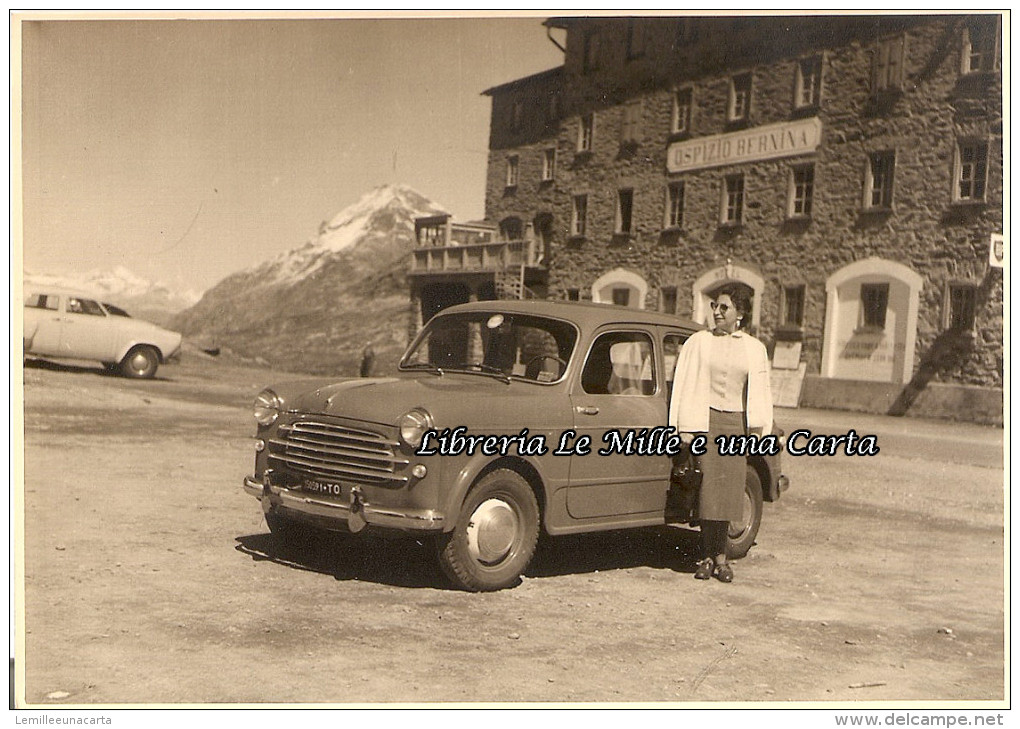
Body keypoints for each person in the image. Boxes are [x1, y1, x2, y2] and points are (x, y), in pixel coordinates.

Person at [668, 283, 773, 583]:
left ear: (739, 313)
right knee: (708, 492)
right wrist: (684, 428)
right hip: (707, 422)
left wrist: (758, 429)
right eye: (714, 306)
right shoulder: (698, 343)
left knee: (728, 494)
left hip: (736, 426)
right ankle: (704, 557)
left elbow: (761, 392)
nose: (716, 311)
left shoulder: (754, 348)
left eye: (724, 307)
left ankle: (722, 559)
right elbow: (685, 384)